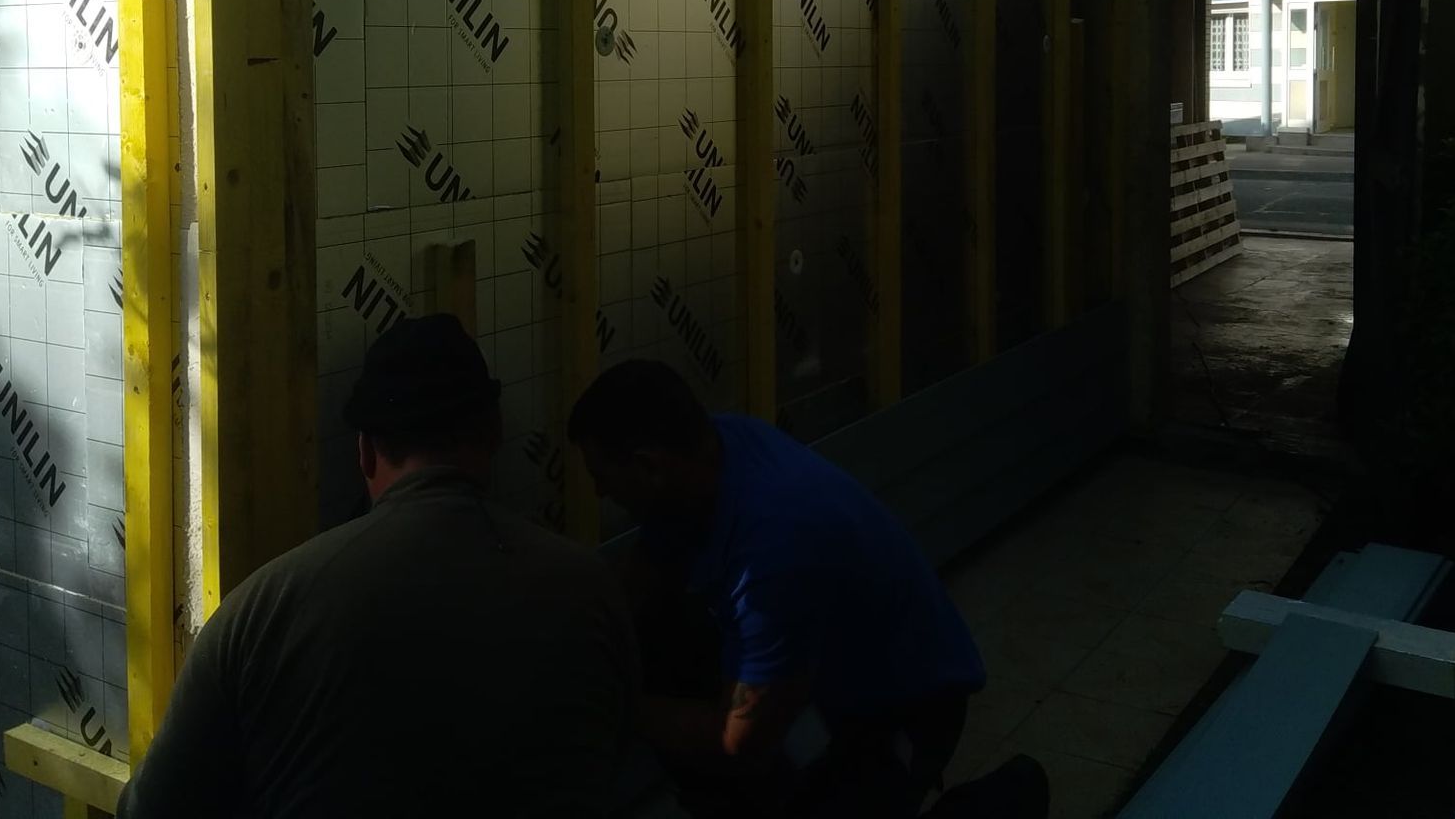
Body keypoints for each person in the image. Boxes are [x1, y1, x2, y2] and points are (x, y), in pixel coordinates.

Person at [117, 315, 642, 819]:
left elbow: (153, 808)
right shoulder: (590, 587)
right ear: (494, 434)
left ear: (365, 452)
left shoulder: (263, 610)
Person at [568, 360, 987, 819]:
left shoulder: (774, 547)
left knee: (776, 776)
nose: (600, 492)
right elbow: (647, 569)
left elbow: (738, 744)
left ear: (648, 467)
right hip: (824, 670)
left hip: (905, 712)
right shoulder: (712, 450)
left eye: (602, 477)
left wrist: (613, 702)